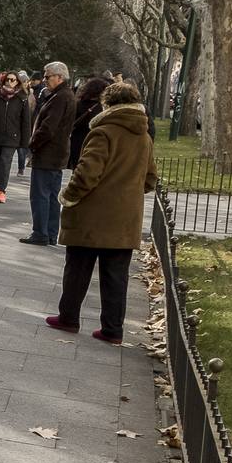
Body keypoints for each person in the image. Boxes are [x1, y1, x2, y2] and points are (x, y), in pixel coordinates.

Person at [44, 81, 157, 344]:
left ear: (108, 104)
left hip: (92, 215)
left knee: (78, 269)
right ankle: (112, 330)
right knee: (116, 276)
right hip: (125, 218)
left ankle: (69, 317)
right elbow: (151, 179)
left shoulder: (103, 132)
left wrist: (68, 197)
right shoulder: (144, 136)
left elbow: (86, 174)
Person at [22, 61, 76, 245]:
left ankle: (41, 232)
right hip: (56, 153)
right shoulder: (62, 95)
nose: (45, 80)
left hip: (48, 153)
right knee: (51, 195)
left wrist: (33, 143)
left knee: (41, 194)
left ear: (59, 77)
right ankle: (50, 232)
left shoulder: (61, 97)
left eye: (47, 76)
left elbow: (48, 127)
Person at [0, 71, 33, 202]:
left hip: (12, 137)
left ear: (18, 82)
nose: (10, 82)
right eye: (8, 79)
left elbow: (26, 121)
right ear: (4, 81)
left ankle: (2, 190)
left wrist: (25, 142)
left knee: (5, 162)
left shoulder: (22, 98)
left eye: (13, 80)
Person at [68, 76, 113, 171]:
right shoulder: (101, 108)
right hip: (93, 142)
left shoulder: (78, 104)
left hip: (77, 141)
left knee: (77, 170)